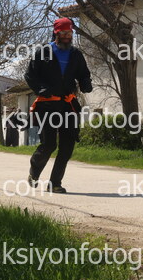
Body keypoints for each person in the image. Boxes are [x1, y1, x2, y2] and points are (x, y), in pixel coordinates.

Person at [24, 17, 92, 193]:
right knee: (49, 144)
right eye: (63, 33)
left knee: (67, 146)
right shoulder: (43, 52)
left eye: (69, 33)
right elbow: (30, 75)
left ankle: (55, 183)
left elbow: (83, 74)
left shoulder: (76, 54)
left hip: (68, 105)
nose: (67, 36)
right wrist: (41, 89)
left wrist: (85, 83)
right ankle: (34, 172)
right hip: (47, 105)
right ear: (56, 33)